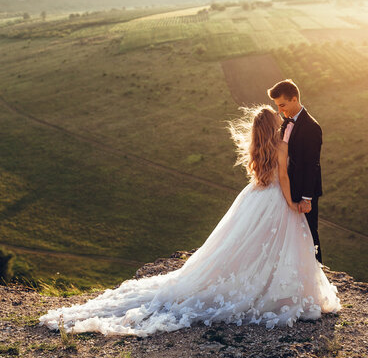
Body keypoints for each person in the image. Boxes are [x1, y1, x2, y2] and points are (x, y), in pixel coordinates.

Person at [39, 106, 341, 337]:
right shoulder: (280, 146)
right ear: (274, 127)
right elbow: (285, 177)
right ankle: (280, 289)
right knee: (275, 246)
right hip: (276, 200)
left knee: (246, 248)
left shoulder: (258, 148)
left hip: (254, 199)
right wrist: (291, 202)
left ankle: (263, 285)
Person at [267, 80, 323, 264]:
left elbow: (311, 165)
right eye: (278, 107)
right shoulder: (285, 122)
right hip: (287, 185)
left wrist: (307, 198)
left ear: (294, 99)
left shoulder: (312, 128)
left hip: (304, 189)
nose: (281, 111)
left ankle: (317, 271)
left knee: (308, 231)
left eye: (283, 105)